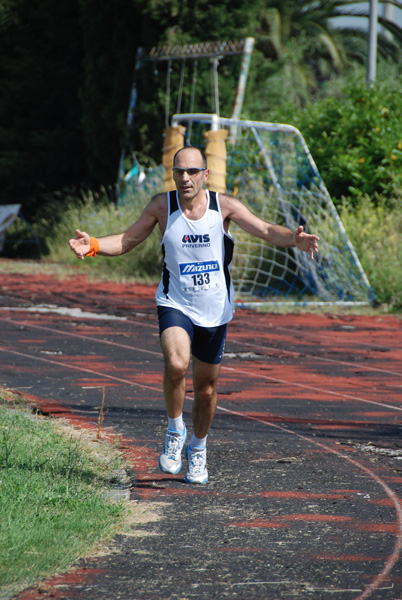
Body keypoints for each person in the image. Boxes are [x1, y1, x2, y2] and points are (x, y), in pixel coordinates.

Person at [69, 146, 319, 485]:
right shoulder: (162, 205)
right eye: (179, 172)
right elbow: (128, 240)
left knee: (205, 388)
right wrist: (94, 244)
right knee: (176, 363)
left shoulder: (224, 206)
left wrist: (294, 239)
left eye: (191, 172)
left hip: (215, 309)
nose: (184, 178)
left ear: (205, 174)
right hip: (175, 302)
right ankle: (175, 431)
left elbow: (263, 229)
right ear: (173, 174)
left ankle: (197, 449)